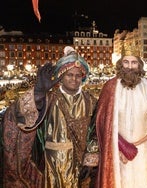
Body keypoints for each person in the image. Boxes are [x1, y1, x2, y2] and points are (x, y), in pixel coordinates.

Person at [2, 46, 98, 188]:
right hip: (51, 164)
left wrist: (90, 161)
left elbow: (97, 131)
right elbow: (19, 116)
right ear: (61, 77)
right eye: (69, 75)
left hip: (81, 163)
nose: (74, 79)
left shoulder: (91, 101)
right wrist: (38, 93)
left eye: (78, 75)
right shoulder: (48, 99)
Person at [95, 46, 147, 188]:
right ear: (120, 64)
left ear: (139, 65)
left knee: (143, 182)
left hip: (143, 150)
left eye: (134, 62)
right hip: (117, 151)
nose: (130, 66)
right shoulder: (110, 87)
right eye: (126, 62)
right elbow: (102, 122)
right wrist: (121, 144)